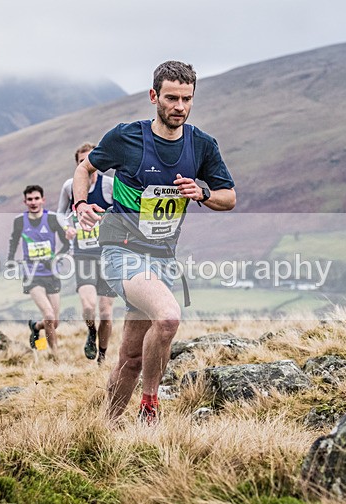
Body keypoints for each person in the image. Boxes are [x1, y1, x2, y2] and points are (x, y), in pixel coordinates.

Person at [73, 61, 236, 425]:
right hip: (122, 248)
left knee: (131, 358)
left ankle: (107, 428)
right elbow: (85, 168)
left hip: (162, 257)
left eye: (187, 99)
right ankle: (150, 405)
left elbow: (229, 197)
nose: (179, 106)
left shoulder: (202, 145)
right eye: (171, 98)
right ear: (153, 97)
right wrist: (81, 204)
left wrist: (203, 192)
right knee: (167, 317)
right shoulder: (126, 137)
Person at [56, 142, 116, 365]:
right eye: (82, 162)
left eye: (91, 160)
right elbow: (60, 213)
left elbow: (123, 209)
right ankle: (91, 332)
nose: (88, 165)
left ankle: (102, 355)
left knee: (106, 313)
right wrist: (67, 228)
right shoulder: (69, 186)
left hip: (109, 254)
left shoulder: (109, 185)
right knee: (89, 307)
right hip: (83, 254)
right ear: (78, 164)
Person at [7, 185, 69, 355]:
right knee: (48, 316)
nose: (33, 202)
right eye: (30, 199)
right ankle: (55, 355)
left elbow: (67, 244)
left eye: (36, 198)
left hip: (52, 274)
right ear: (25, 201)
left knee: (54, 322)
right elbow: (14, 241)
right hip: (32, 274)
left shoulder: (52, 219)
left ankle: (35, 326)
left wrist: (55, 258)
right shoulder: (20, 221)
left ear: (43, 200)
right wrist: (10, 260)